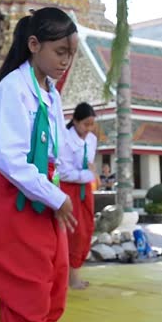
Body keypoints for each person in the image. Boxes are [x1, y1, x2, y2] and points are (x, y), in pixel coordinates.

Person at [0, 8, 78, 322]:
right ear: (34, 44)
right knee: (27, 294)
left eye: (71, 53)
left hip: (43, 193)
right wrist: (55, 195)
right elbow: (9, 157)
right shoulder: (13, 87)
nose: (66, 61)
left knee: (54, 291)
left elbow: (55, 153)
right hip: (14, 194)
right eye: (60, 51)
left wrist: (55, 191)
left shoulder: (51, 92)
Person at [58, 102, 97, 290]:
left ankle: (75, 271)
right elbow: (63, 171)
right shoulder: (64, 138)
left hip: (85, 191)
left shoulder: (92, 140)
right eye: (85, 124)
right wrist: (87, 175)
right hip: (68, 189)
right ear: (74, 121)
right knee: (72, 231)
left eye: (91, 124)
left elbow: (90, 164)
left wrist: (88, 175)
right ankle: (69, 277)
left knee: (87, 228)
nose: (88, 129)